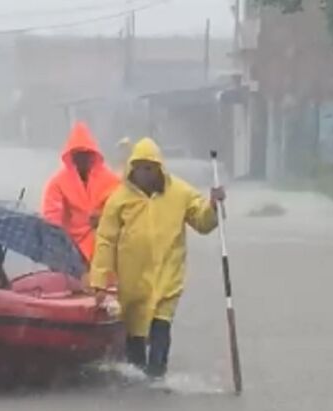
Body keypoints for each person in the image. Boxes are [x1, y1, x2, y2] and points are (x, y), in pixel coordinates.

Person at [90, 137, 226, 378]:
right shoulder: (119, 199)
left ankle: (157, 377)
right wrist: (100, 281)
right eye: (139, 168)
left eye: (149, 168)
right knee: (135, 338)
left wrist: (214, 206)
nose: (144, 174)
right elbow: (105, 240)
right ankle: (137, 380)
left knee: (161, 328)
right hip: (132, 284)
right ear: (132, 168)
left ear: (159, 168)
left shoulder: (180, 193)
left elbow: (203, 222)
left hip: (168, 278)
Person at [41, 122, 120, 264]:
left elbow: (124, 209)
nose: (82, 159)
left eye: (86, 154)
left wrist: (104, 218)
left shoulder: (111, 180)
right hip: (72, 249)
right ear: (71, 156)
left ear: (93, 154)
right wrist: (59, 246)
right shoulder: (58, 183)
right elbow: (52, 217)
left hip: (108, 246)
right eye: (78, 155)